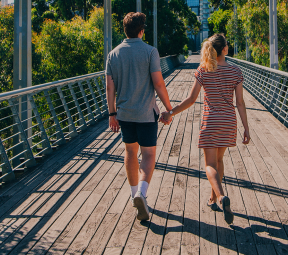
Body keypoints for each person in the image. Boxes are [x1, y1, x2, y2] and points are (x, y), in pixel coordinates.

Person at [160, 33, 249, 224]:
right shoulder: (236, 72)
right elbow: (240, 103)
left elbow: (191, 100)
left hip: (210, 122)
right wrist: (246, 128)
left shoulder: (204, 70)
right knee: (219, 160)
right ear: (224, 49)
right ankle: (213, 198)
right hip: (228, 122)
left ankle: (221, 196)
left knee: (209, 165)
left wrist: (171, 112)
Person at [106, 12, 173, 222]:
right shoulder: (150, 52)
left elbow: (109, 87)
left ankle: (133, 192)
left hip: (124, 114)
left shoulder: (113, 54)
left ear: (125, 31)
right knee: (149, 155)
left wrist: (111, 113)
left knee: (130, 152)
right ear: (142, 31)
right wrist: (168, 108)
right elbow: (159, 84)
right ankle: (141, 194)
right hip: (146, 113)